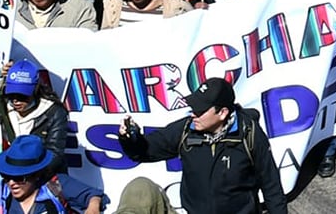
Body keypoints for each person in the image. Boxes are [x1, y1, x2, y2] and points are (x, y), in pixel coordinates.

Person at [118, 77, 288, 214]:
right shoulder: (186, 130)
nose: (193, 114)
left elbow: (271, 186)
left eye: (200, 111)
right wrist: (130, 138)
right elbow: (145, 151)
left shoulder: (250, 135)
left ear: (222, 113)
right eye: (193, 108)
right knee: (139, 188)